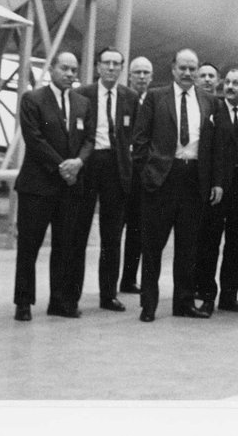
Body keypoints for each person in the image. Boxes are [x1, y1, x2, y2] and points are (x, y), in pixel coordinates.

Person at [133, 48, 216, 322]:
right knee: (152, 246)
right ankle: (149, 304)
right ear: (172, 69)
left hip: (193, 179)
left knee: (188, 247)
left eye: (193, 68)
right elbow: (140, 140)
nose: (188, 73)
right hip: (161, 180)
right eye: (183, 68)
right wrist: (149, 173)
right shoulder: (156, 97)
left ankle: (183, 302)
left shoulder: (208, 100)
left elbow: (212, 146)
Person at [12, 51, 91, 321]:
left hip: (69, 188)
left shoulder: (82, 103)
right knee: (29, 246)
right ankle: (23, 302)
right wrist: (62, 167)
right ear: (52, 69)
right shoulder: (33, 99)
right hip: (38, 186)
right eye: (64, 68)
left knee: (65, 246)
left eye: (74, 70)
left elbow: (89, 139)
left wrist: (79, 162)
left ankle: (59, 301)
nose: (70, 74)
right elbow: (34, 139)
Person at [71, 46, 137, 313]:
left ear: (122, 68)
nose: (112, 68)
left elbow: (134, 134)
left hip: (116, 167)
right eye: (107, 63)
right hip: (88, 164)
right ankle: (71, 294)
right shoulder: (81, 94)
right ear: (98, 66)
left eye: (116, 64)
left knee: (112, 237)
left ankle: (108, 294)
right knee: (78, 232)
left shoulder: (130, 97)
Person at [195, 66, 238, 314]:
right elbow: (209, 152)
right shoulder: (214, 111)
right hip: (218, 189)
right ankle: (207, 295)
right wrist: (214, 183)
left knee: (237, 245)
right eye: (227, 82)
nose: (229, 86)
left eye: (236, 83)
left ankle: (229, 296)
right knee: (210, 243)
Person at [119, 55, 153, 294]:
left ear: (151, 77)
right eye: (137, 72)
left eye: (145, 73)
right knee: (114, 231)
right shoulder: (121, 99)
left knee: (137, 230)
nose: (141, 76)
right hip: (120, 175)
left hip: (142, 178)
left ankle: (129, 278)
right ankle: (109, 279)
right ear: (129, 76)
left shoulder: (154, 101)